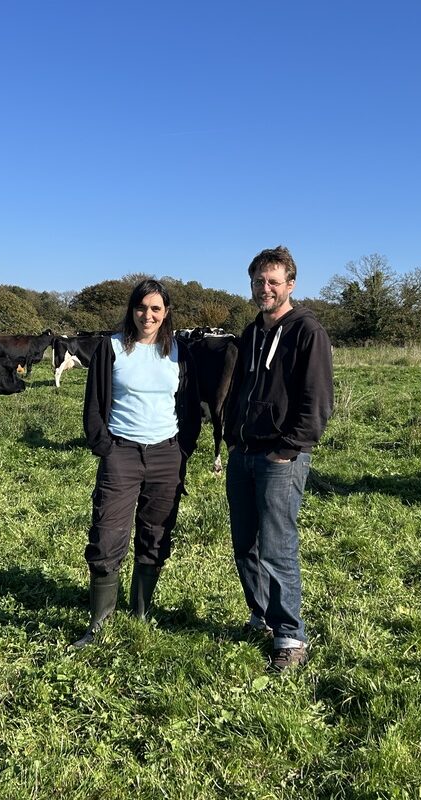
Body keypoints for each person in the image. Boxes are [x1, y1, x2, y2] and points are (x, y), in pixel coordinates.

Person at [74, 278, 201, 648]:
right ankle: (100, 620)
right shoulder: (111, 348)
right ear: (132, 310)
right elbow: (94, 403)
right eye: (142, 308)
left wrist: (183, 449)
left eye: (156, 309)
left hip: (166, 454)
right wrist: (105, 447)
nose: (148, 315)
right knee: (107, 534)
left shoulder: (179, 351)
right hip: (122, 453)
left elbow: (190, 406)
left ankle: (141, 611)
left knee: (156, 533)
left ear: (166, 313)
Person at [224, 246, 334, 672]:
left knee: (277, 546)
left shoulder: (307, 331)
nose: (264, 288)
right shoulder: (251, 332)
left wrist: (289, 448)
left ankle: (290, 636)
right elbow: (239, 390)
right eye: (258, 281)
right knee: (244, 544)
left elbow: (318, 399)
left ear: (290, 284)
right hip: (245, 452)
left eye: (273, 281)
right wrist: (233, 436)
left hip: (279, 458)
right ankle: (263, 617)